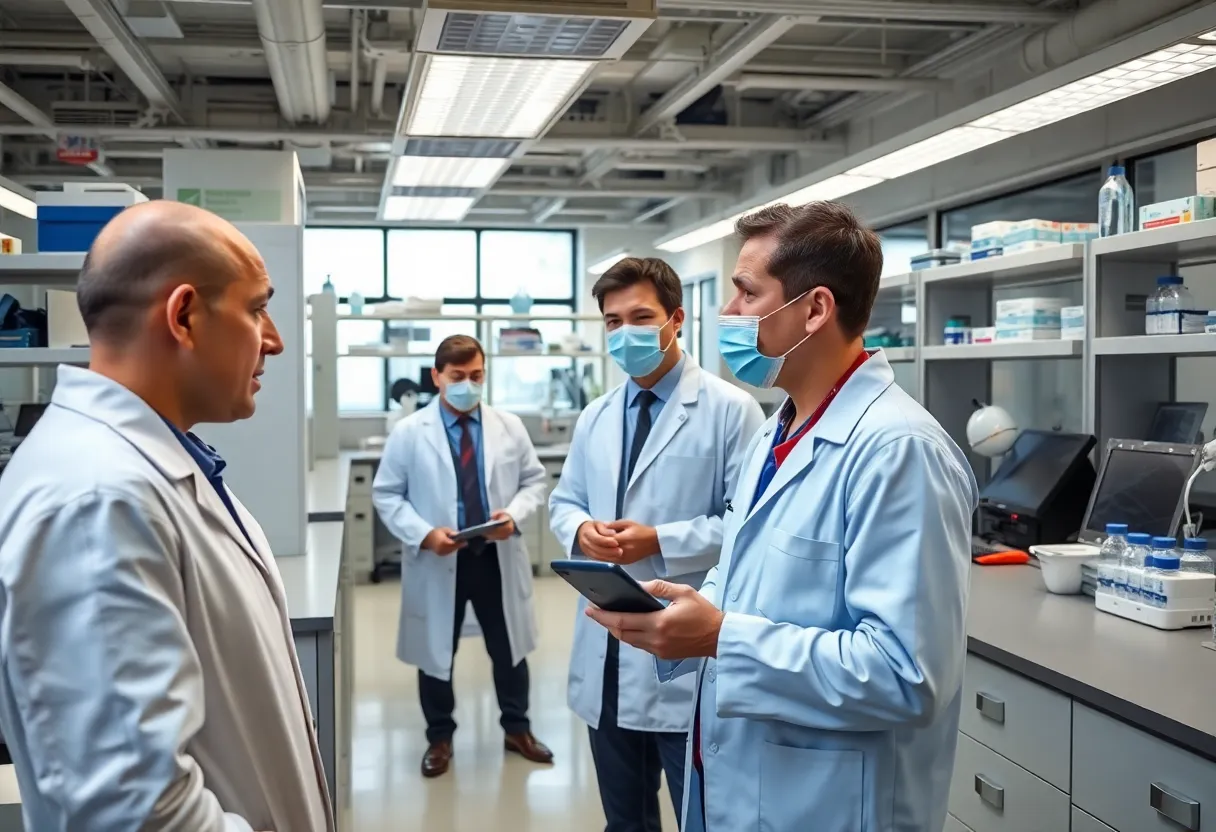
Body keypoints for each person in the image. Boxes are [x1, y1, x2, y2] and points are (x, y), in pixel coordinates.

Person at [587, 203, 978, 832]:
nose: (728, 314)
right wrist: (685, 610)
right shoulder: (778, 431)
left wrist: (720, 638)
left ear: (815, 309)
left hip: (832, 803)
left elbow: (909, 675)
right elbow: (743, 577)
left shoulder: (900, 451)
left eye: (745, 293)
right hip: (744, 783)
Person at [0, 200, 332, 832]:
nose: (276, 339)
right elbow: (133, 813)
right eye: (257, 307)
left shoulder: (145, 470)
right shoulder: (97, 501)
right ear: (183, 315)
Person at [550, 257, 764, 832]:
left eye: (639, 317)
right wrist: (579, 529)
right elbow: (563, 500)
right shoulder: (595, 416)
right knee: (625, 821)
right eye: (612, 322)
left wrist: (659, 539)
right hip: (607, 650)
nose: (625, 334)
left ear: (675, 318)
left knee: (702, 816)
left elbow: (747, 526)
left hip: (683, 650)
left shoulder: (730, 411)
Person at [373, 335, 553, 778]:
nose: (468, 385)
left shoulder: (508, 426)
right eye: (457, 377)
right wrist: (423, 534)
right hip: (440, 557)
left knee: (509, 648)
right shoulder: (409, 433)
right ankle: (439, 736)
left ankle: (517, 729)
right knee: (437, 651)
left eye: (476, 376)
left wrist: (513, 514)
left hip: (494, 556)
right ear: (437, 377)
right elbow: (387, 495)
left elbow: (535, 481)